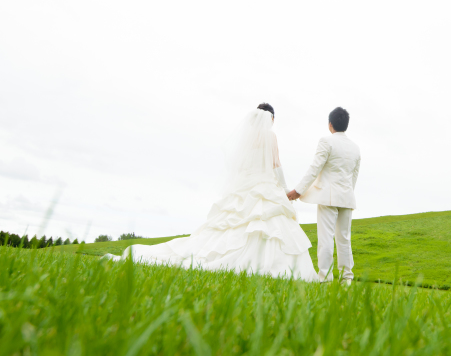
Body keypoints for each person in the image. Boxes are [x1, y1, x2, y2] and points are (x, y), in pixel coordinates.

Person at [104, 103, 318, 281]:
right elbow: (276, 165)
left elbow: (240, 168)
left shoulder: (247, 139)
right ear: (271, 119)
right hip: (265, 186)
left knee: (232, 225)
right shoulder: (271, 137)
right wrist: (284, 190)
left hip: (246, 187)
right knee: (268, 225)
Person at [287, 107, 361, 284]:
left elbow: (315, 169)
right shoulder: (355, 148)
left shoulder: (326, 141)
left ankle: (326, 280)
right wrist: (348, 193)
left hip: (328, 197)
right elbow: (354, 176)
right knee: (344, 240)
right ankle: (346, 281)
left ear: (330, 124)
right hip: (347, 197)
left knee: (326, 240)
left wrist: (298, 191)